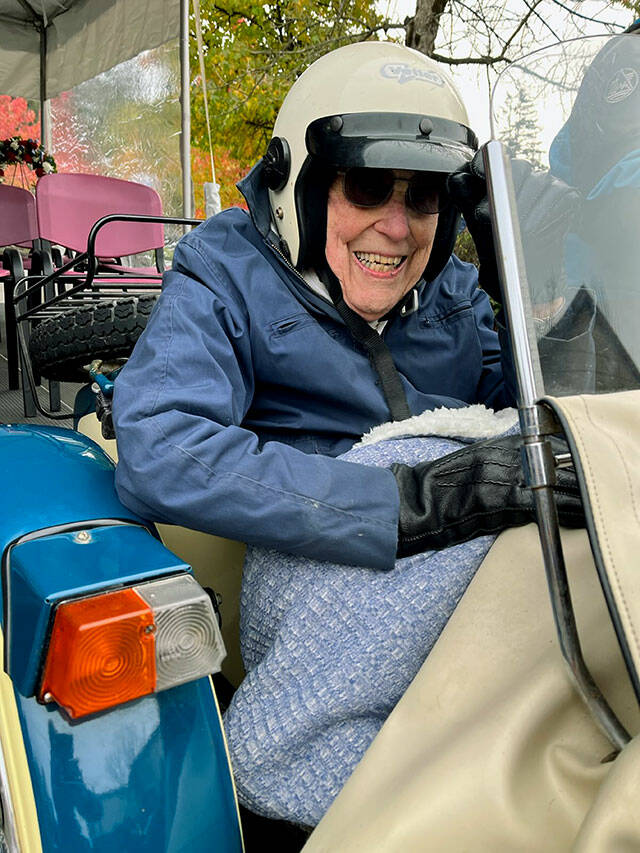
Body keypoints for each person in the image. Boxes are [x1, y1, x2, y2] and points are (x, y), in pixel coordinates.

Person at [113, 41, 580, 571]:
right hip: (323, 575)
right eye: (367, 185)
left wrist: (538, 303)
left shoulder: (452, 286)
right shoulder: (227, 271)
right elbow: (162, 446)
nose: (397, 228)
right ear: (299, 191)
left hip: (490, 565)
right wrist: (414, 504)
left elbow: (542, 421)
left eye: (425, 193)